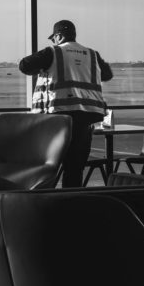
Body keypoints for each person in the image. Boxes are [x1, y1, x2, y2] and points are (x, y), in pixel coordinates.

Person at [19, 20, 113, 188]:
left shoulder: (53, 52)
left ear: (59, 36)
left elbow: (24, 65)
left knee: (49, 165)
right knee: (75, 168)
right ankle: (71, 203)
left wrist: (42, 68)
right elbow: (107, 75)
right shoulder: (93, 54)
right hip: (85, 117)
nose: (53, 42)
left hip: (58, 116)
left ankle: (47, 202)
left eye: (53, 38)